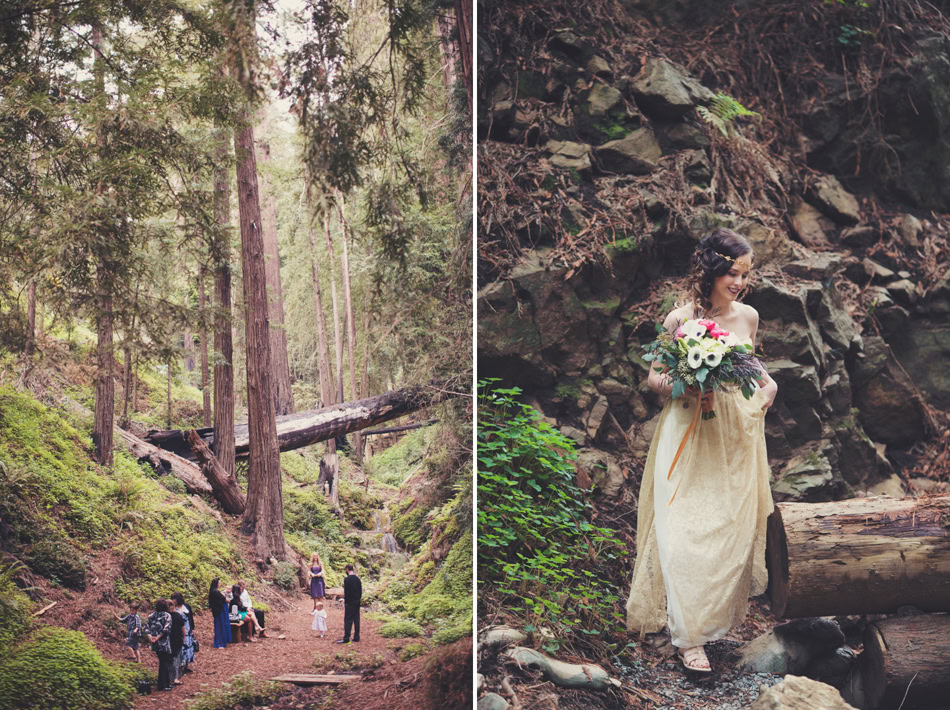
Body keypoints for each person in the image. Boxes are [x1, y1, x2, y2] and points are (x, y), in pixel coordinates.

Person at [625, 228, 778, 674]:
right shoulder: (679, 320)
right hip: (687, 427)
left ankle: (708, 622)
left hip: (733, 433)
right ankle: (688, 638)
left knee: (725, 526)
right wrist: (687, 383)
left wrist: (769, 385)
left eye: (745, 274)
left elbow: (750, 368)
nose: (739, 282)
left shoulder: (747, 317)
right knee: (681, 529)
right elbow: (654, 378)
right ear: (712, 269)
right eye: (733, 272)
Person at [145, 599, 173, 691]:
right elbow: (166, 629)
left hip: (155, 643)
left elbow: (146, 628)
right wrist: (157, 637)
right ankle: (164, 684)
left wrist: (151, 638)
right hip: (164, 642)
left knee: (162, 661)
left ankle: (162, 683)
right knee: (164, 662)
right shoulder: (167, 615)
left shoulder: (151, 615)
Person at [337, 564, 361, 644]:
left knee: (348, 620)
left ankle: (346, 638)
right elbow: (360, 592)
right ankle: (356, 637)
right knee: (356, 619)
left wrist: (346, 602)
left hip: (350, 602)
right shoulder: (358, 579)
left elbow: (346, 592)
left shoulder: (347, 579)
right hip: (357, 602)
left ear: (347, 569)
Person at [172, 592, 196, 673]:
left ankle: (186, 665)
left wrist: (192, 628)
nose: (173, 601)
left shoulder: (186, 606)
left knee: (188, 646)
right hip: (179, 630)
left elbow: (190, 617)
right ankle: (179, 666)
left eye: (174, 599)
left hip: (188, 628)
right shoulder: (173, 608)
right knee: (181, 647)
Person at [167, 598, 185, 686]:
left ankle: (169, 677)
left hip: (168, 640)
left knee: (169, 658)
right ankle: (175, 678)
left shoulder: (165, 616)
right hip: (177, 639)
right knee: (176, 659)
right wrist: (184, 637)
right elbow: (183, 628)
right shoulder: (177, 616)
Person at [209, 578, 231, 649]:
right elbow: (224, 600)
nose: (220, 584)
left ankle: (222, 640)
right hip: (219, 611)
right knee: (220, 626)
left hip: (220, 610)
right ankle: (219, 643)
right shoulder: (215, 592)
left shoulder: (215, 591)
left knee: (221, 625)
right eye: (219, 583)